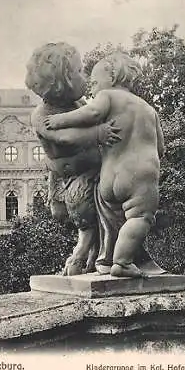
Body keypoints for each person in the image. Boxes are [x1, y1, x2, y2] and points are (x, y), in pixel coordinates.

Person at [44, 51, 165, 278]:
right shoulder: (148, 109)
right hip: (139, 175)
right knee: (140, 218)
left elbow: (91, 112)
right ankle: (122, 262)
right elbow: (160, 148)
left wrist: (60, 120)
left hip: (107, 177)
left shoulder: (107, 97)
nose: (93, 87)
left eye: (95, 82)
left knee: (111, 218)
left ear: (111, 77)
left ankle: (106, 258)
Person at [25, 42, 121, 275]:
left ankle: (84, 252)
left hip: (89, 172)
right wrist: (98, 134)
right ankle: (90, 253)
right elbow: (64, 138)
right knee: (71, 213)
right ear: (60, 83)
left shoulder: (80, 104)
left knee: (88, 217)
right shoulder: (41, 115)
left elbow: (94, 116)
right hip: (64, 175)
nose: (85, 75)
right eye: (78, 71)